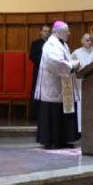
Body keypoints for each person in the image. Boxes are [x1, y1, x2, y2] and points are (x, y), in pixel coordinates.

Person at [34, 21, 80, 149]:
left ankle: (63, 138)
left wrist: (71, 64)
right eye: (67, 31)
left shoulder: (62, 43)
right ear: (60, 32)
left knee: (63, 111)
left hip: (63, 84)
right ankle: (53, 140)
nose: (69, 33)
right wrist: (71, 66)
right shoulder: (51, 44)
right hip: (53, 84)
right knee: (54, 112)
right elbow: (55, 61)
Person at [72, 33, 93, 133]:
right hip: (81, 84)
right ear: (81, 41)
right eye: (87, 40)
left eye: (91, 40)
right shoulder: (76, 53)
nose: (89, 42)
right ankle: (81, 128)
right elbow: (71, 65)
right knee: (81, 105)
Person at [29, 25, 51, 119]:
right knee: (37, 90)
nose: (46, 33)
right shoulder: (36, 43)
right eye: (45, 31)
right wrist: (43, 61)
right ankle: (36, 114)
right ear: (41, 32)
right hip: (39, 70)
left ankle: (48, 114)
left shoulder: (52, 44)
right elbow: (32, 56)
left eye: (48, 31)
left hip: (50, 71)